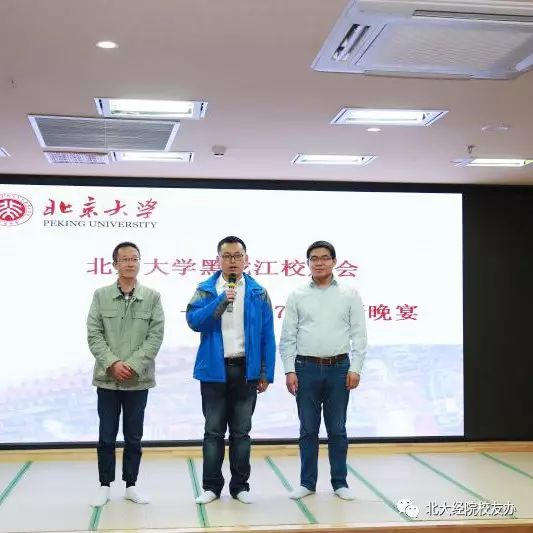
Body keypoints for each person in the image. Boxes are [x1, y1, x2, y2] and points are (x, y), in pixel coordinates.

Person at [186, 236, 275, 504]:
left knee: (241, 433)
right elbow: (194, 321)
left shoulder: (258, 292)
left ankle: (240, 487)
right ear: (219, 260)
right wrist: (220, 301)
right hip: (214, 371)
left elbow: (267, 335)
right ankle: (211, 487)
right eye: (227, 256)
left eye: (237, 256)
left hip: (246, 370)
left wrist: (265, 372)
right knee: (213, 432)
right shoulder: (206, 290)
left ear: (246, 259)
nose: (232, 261)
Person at [279, 240, 367, 501]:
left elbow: (359, 335)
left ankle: (340, 483)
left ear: (334, 261)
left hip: (339, 368)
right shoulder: (297, 295)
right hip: (305, 368)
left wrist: (356, 368)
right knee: (308, 429)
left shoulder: (349, 294)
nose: (319, 263)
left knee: (337, 429)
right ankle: (307, 483)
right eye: (314, 258)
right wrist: (289, 370)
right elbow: (287, 337)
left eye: (325, 258)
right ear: (308, 263)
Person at [87, 241, 164, 507]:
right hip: (108, 379)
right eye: (125, 259)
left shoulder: (152, 297)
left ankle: (131, 485)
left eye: (135, 259)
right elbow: (94, 334)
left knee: (133, 437)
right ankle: (104, 485)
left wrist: (132, 365)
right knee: (106, 436)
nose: (130, 263)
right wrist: (113, 363)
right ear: (115, 264)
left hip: (137, 380)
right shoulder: (101, 295)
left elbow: (155, 336)